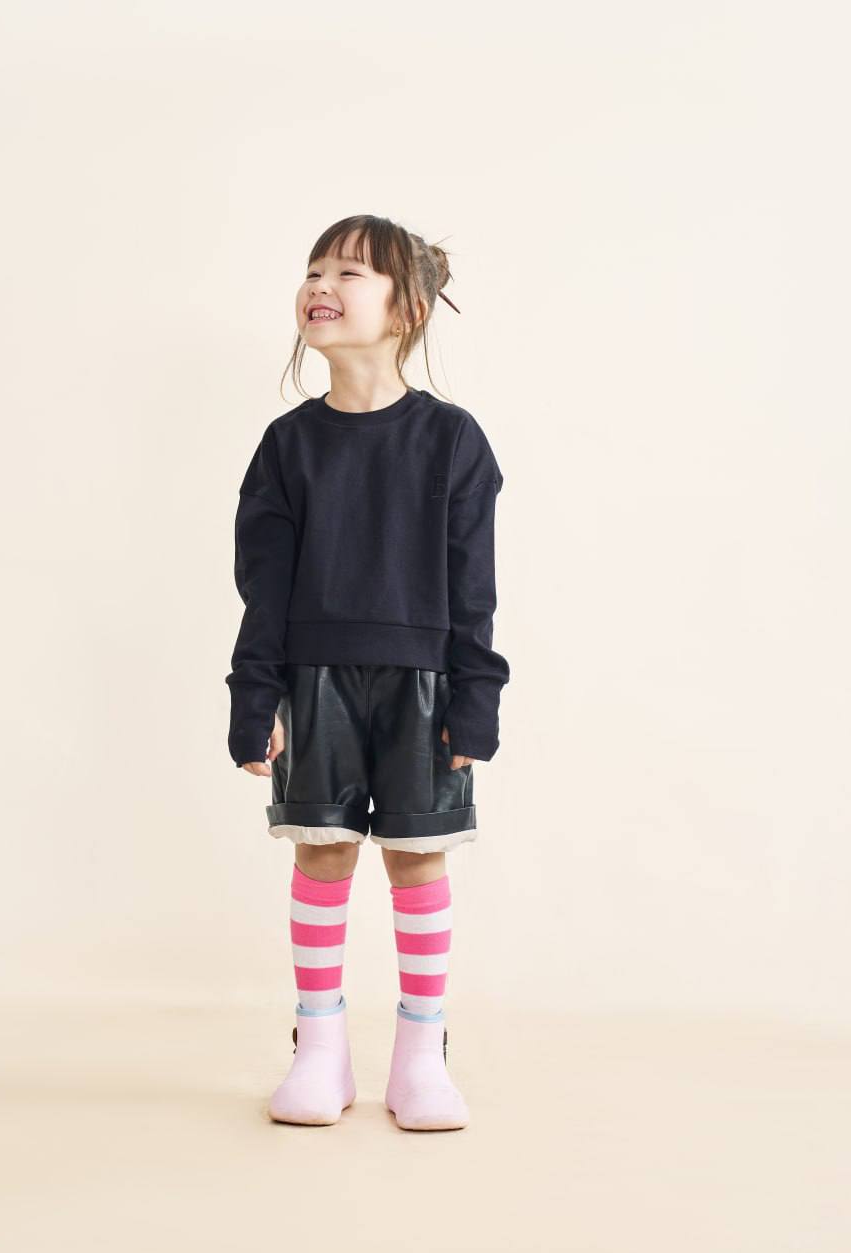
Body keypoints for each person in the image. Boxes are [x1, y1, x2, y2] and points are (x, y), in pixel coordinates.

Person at [225, 214, 510, 1130]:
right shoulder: (287, 445)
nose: (322, 284)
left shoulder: (453, 440)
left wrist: (475, 697)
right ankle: (321, 1050)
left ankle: (421, 1058)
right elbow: (263, 590)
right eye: (314, 268)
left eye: (350, 271)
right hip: (313, 684)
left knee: (418, 858)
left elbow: (474, 587)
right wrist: (256, 697)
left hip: (424, 683)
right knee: (321, 850)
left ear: (407, 307)